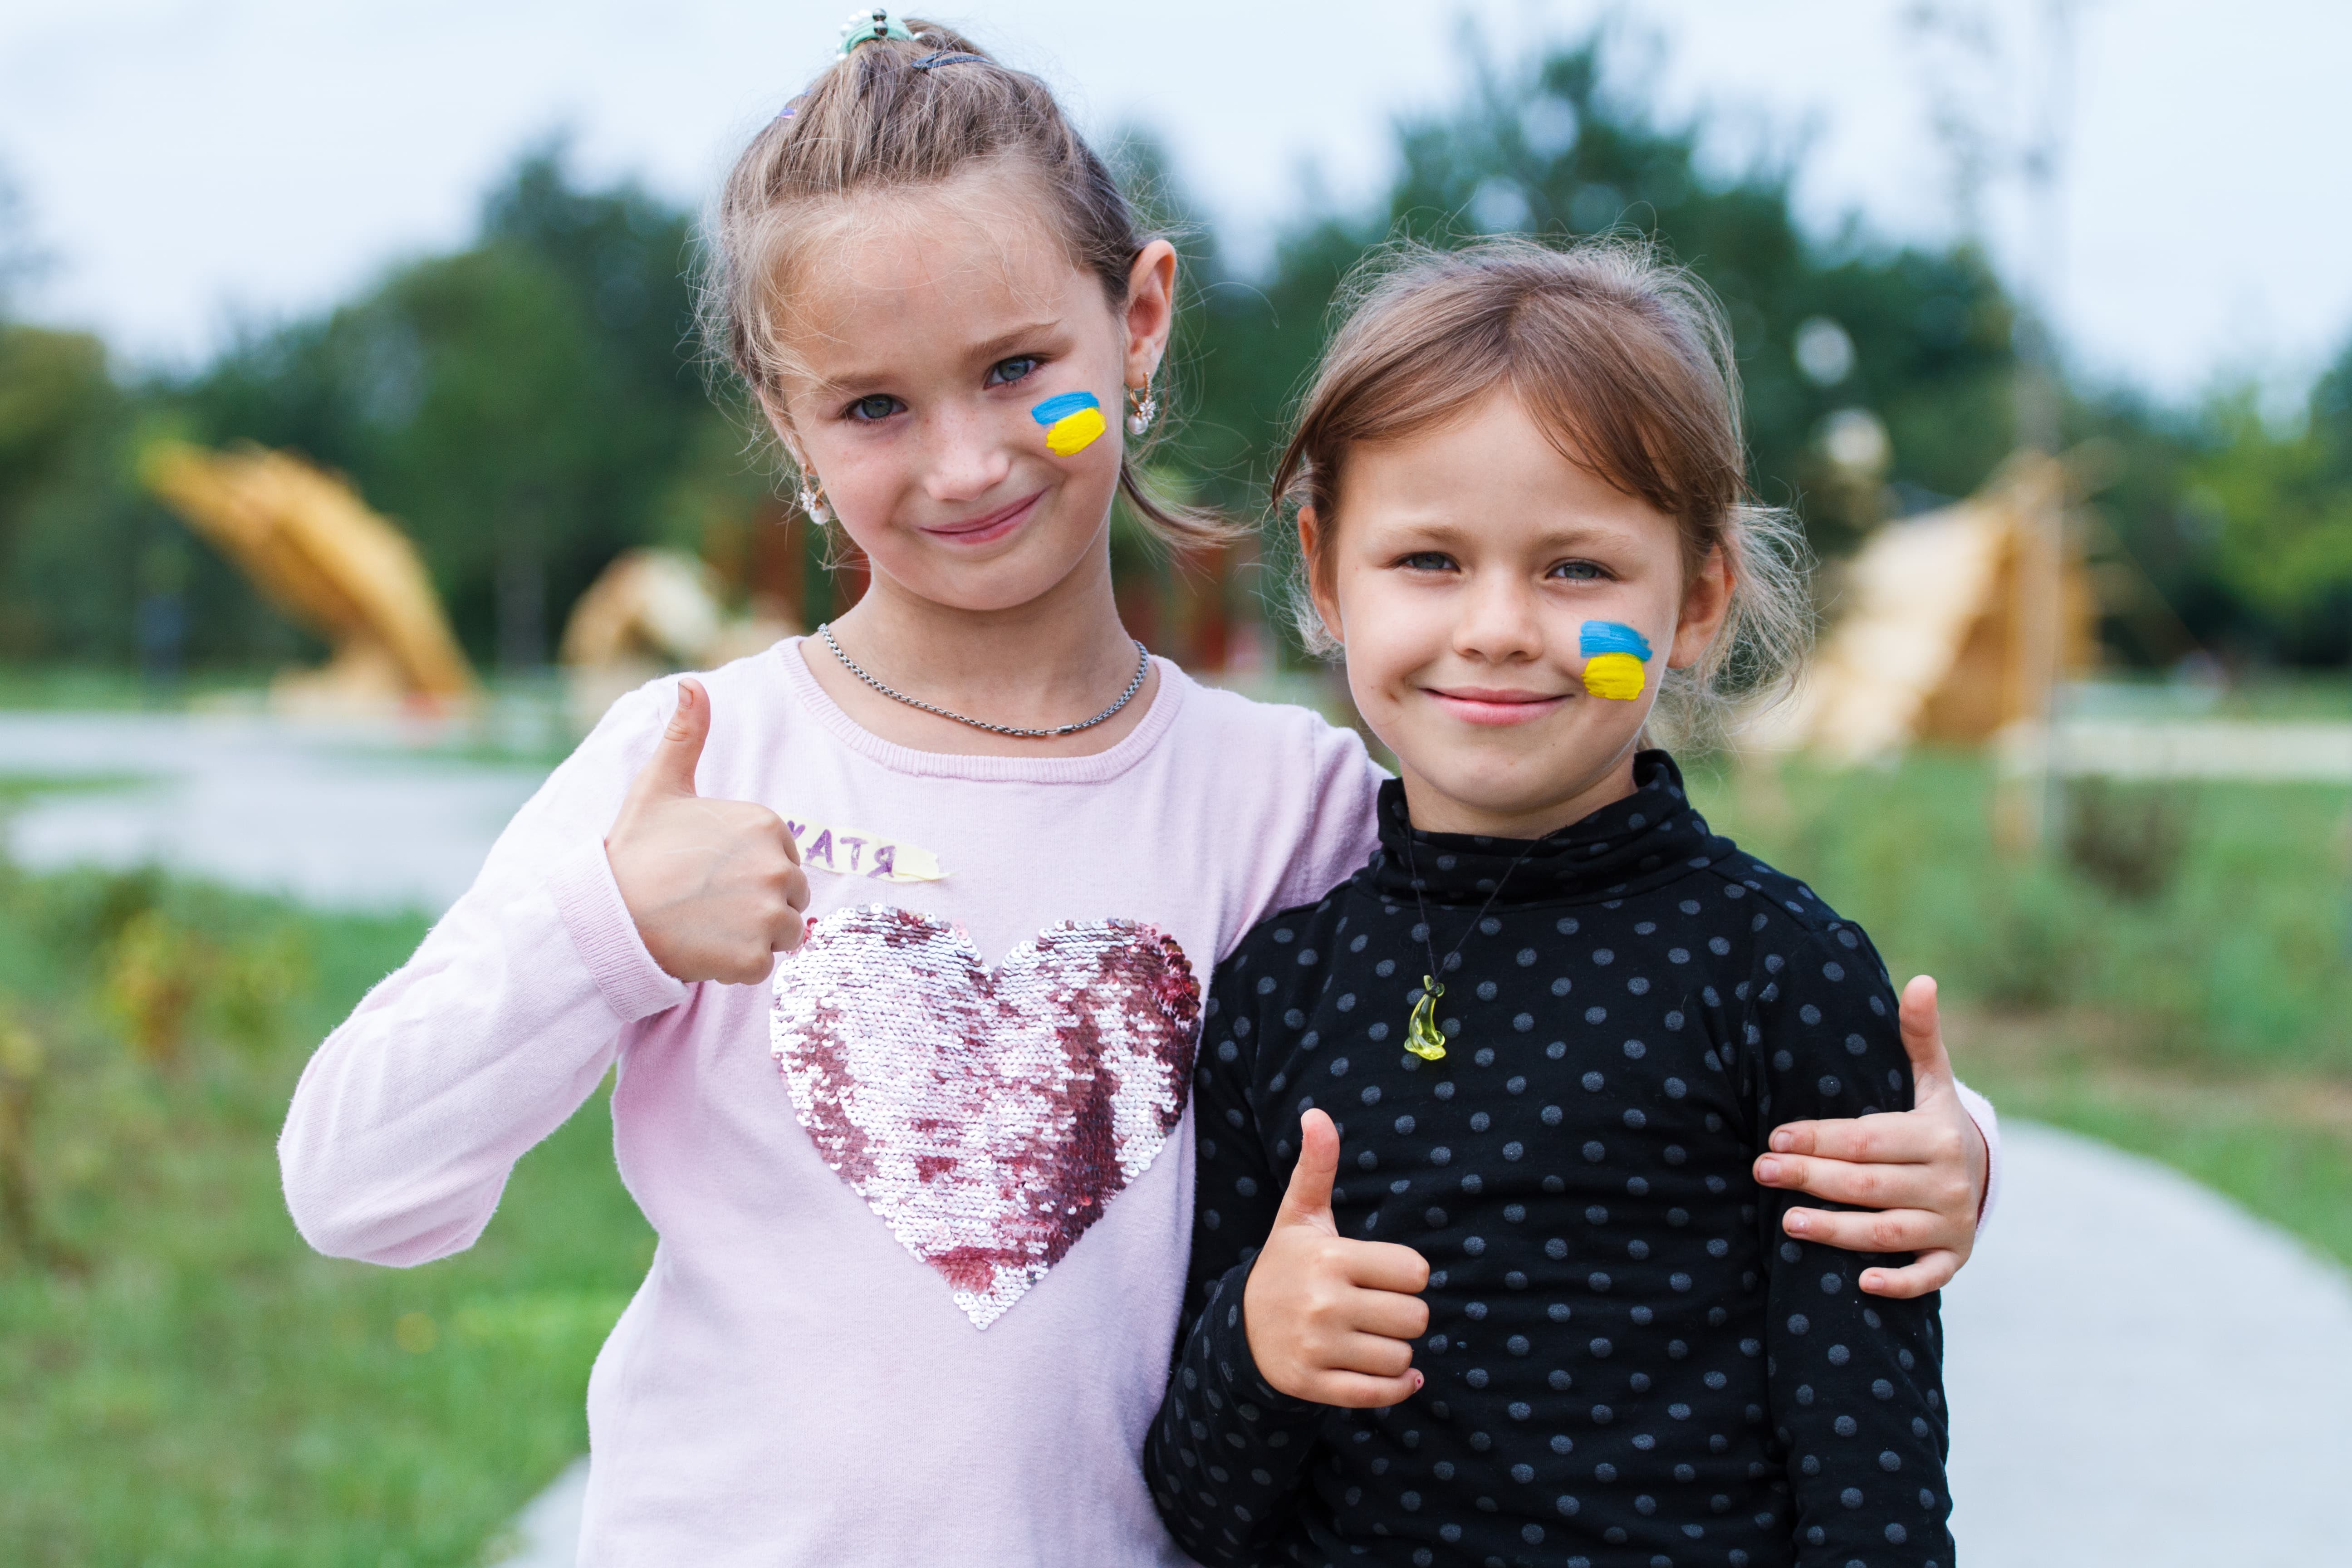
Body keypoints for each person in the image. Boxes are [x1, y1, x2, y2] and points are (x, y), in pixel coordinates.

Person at [277, 15, 1992, 1566]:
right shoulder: (694, 765)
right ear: (787, 429)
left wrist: (1952, 1152)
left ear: (1141, 315)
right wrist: (611, 932)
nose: (966, 461)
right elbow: (357, 1188)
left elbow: (1605, 972)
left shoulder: (1297, 801)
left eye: (1025, 368)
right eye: (874, 404)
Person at [1145, 239, 1962, 1567]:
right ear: (1324, 572)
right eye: (1428, 560)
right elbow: (1203, 1513)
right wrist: (1257, 1348)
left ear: (1696, 602)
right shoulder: (1278, 989)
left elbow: (1875, 1485)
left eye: (1577, 571)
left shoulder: (1780, 977)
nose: (1501, 627)